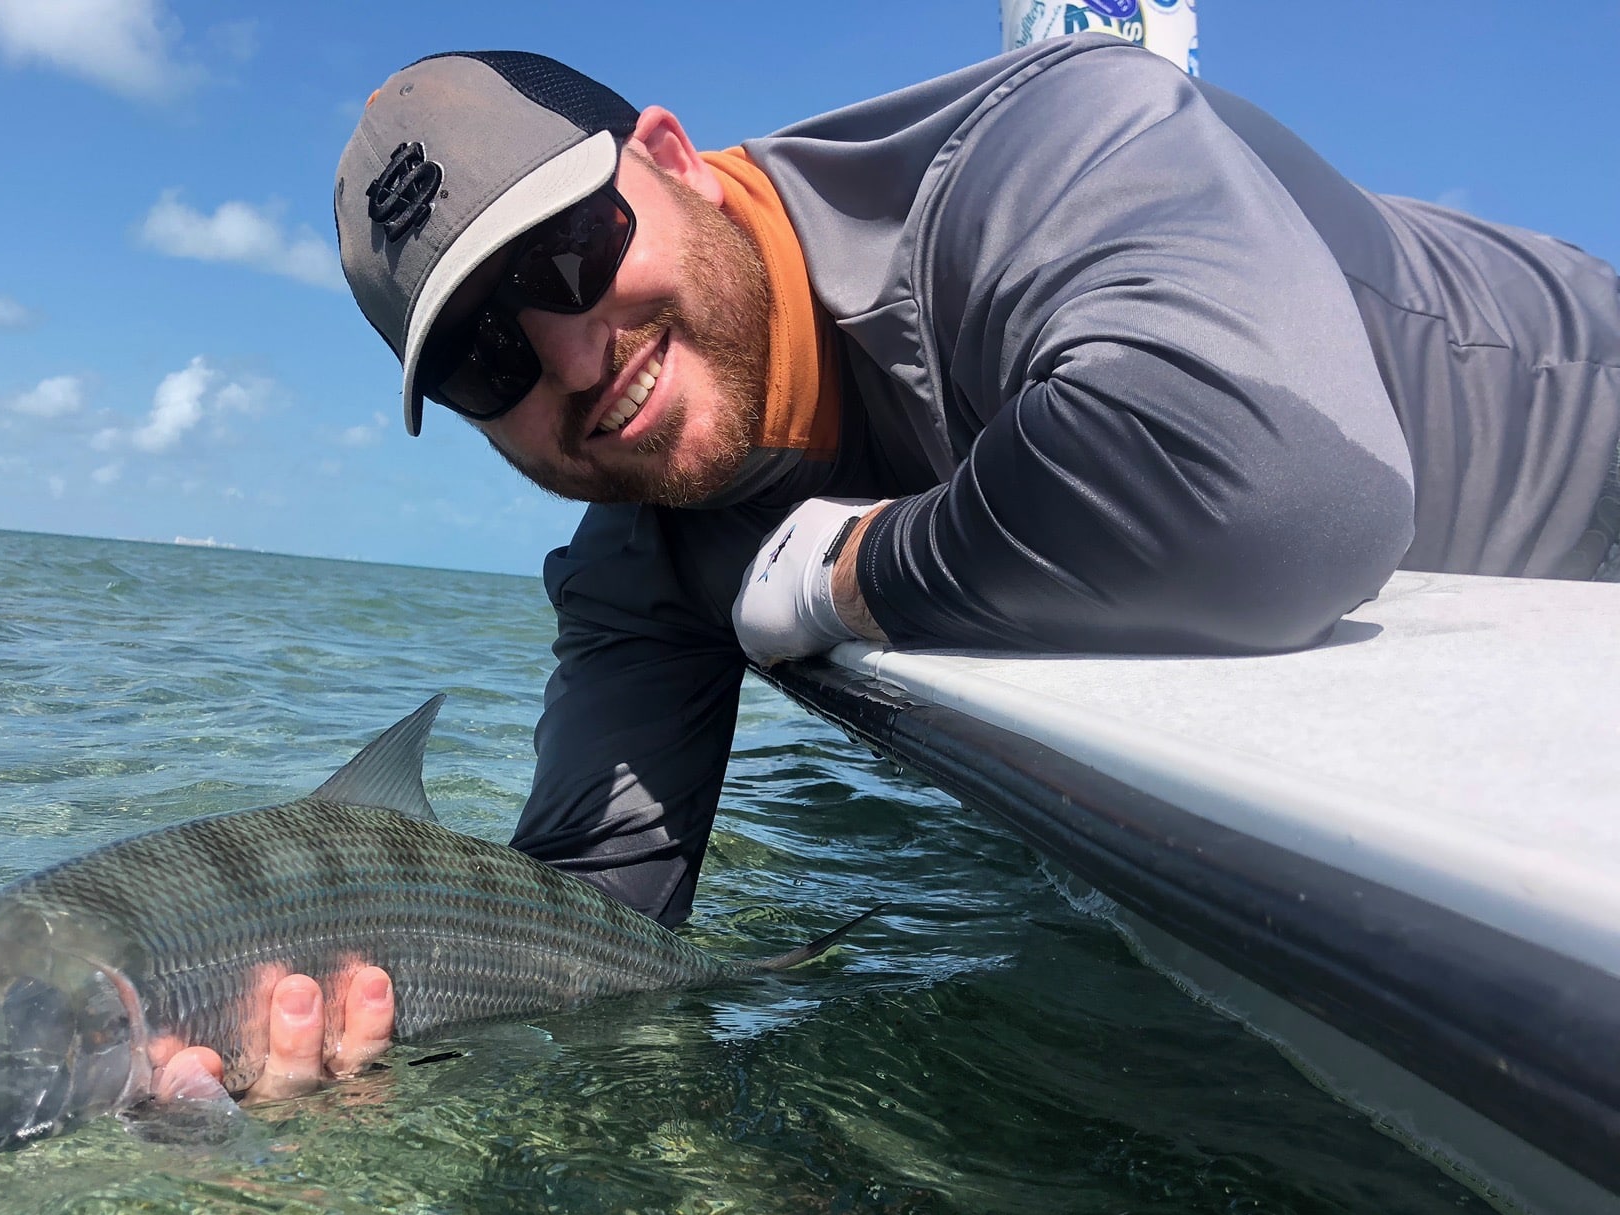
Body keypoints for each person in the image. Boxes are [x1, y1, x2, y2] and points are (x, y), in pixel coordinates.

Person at [155, 39, 1620, 1102]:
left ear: (672, 158)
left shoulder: (1055, 142)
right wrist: (349, 1014)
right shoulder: (639, 553)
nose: (574, 356)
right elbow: (594, 915)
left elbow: (1282, 498)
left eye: (568, 255)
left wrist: (839, 577)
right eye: (488, 358)